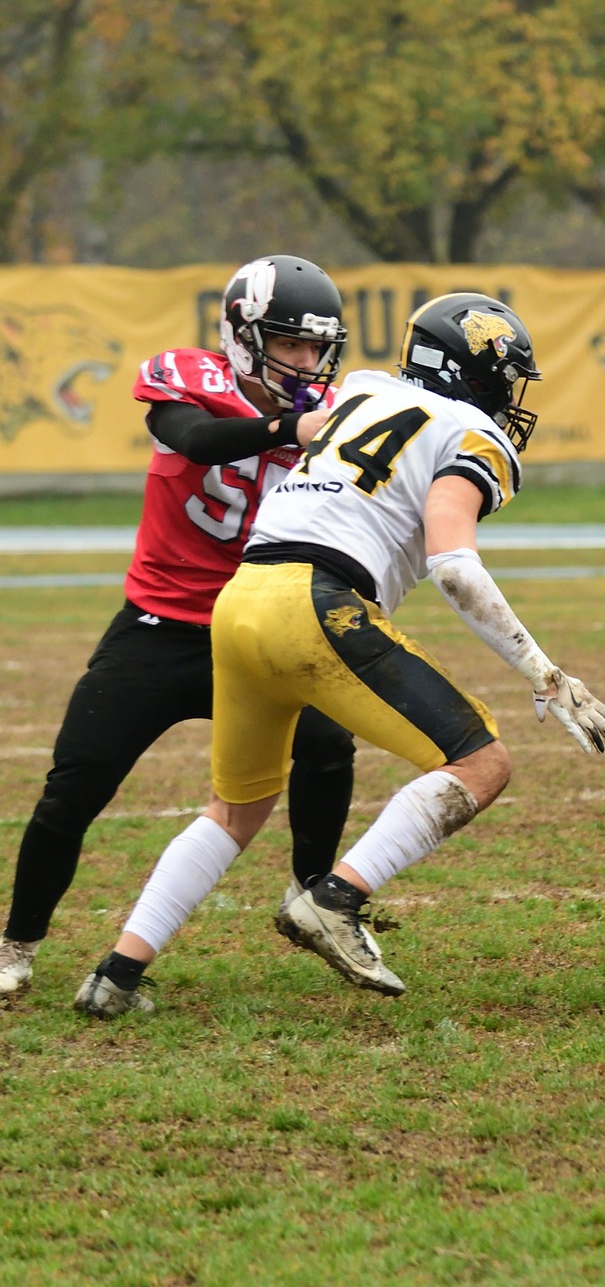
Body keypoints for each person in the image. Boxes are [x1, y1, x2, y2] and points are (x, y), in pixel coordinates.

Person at [74, 293, 605, 1017]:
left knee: (234, 810)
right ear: (477, 375)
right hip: (317, 602)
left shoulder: (359, 388)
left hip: (239, 600)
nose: (510, 399)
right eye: (505, 380)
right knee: (483, 762)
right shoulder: (475, 430)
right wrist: (546, 675)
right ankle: (335, 898)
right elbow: (453, 565)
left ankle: (115, 973)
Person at [0, 256, 358, 999]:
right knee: (75, 785)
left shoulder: (338, 406)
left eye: (315, 347)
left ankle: (313, 898)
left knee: (328, 743)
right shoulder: (188, 378)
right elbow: (194, 437)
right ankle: (18, 940)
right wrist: (293, 426)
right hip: (162, 622)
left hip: (263, 621)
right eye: (289, 343)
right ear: (242, 332)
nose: (305, 360)